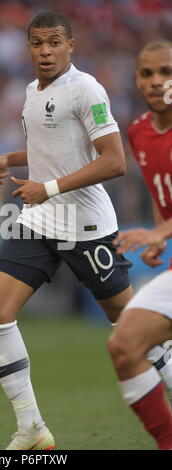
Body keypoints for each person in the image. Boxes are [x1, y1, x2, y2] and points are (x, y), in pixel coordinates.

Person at [0, 11, 172, 450]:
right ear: (28, 48)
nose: (44, 51)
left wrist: (46, 188)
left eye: (53, 42)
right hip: (38, 220)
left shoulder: (86, 89)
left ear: (71, 45)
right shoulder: (31, 91)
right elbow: (48, 150)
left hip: (85, 225)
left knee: (129, 329)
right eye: (36, 43)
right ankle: (31, 428)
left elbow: (114, 162)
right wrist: (9, 161)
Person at [108, 40, 172, 450]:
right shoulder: (138, 132)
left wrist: (161, 233)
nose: (156, 81)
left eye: (165, 72)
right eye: (147, 73)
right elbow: (158, 191)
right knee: (125, 346)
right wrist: (159, 234)